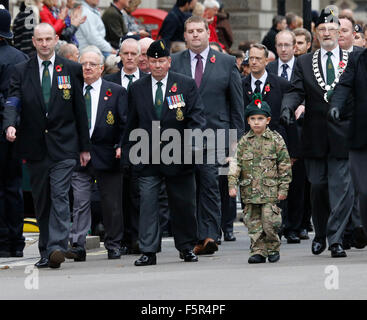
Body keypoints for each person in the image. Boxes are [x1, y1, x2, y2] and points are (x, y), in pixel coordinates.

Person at [3, 23, 91, 268]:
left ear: (55, 39)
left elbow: (79, 110)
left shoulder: (71, 69)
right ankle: (46, 251)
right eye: (39, 40)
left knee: (60, 195)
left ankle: (56, 247)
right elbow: (13, 101)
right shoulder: (21, 70)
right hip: (34, 146)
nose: (44, 44)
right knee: (42, 200)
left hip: (64, 145)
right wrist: (10, 124)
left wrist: (84, 146)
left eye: (48, 39)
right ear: (33, 41)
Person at [122, 39, 206, 266]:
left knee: (183, 204)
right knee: (148, 204)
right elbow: (131, 123)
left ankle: (186, 247)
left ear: (169, 62)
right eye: (153, 61)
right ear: (146, 63)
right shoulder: (137, 88)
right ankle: (148, 250)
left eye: (161, 61)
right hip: (147, 156)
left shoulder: (185, 85)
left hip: (179, 155)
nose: (157, 65)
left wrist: (192, 145)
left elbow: (196, 118)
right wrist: (129, 152)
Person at [280, 9, 356, 258]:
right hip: (314, 136)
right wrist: (287, 107)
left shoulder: (353, 59)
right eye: (322, 29)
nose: (326, 33)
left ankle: (335, 239)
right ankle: (321, 234)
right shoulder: (304, 61)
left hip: (344, 134)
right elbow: (295, 90)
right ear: (316, 33)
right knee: (318, 188)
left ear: (338, 32)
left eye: (331, 29)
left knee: (340, 188)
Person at [171, 16, 244, 253]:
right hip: (182, 136)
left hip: (216, 135)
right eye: (190, 31)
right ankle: (192, 235)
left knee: (211, 184)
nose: (195, 35)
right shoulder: (174, 62)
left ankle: (210, 235)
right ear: (184, 35)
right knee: (186, 188)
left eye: (199, 30)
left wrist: (236, 142)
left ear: (208, 33)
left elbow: (236, 105)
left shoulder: (225, 62)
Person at [67, 45, 127, 261]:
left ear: (101, 68)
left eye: (93, 64)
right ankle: (78, 244)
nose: (88, 68)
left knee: (111, 204)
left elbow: (124, 124)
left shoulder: (116, 92)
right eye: (83, 64)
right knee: (80, 202)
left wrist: (121, 145)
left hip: (109, 156)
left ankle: (113, 244)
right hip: (78, 155)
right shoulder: (71, 92)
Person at [228, 99, 292, 264]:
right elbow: (236, 164)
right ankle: (258, 250)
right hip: (249, 192)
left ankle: (272, 247)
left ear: (268, 120)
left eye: (260, 118)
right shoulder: (243, 142)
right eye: (253, 119)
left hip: (270, 191)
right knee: (253, 224)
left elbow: (284, 165)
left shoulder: (275, 140)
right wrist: (232, 184)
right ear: (248, 121)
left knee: (269, 221)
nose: (256, 122)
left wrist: (283, 189)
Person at [104, 37, 144, 254]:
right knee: (117, 195)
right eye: (125, 53)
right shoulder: (109, 81)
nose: (129, 58)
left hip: (140, 145)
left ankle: (137, 238)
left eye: (133, 54)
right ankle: (121, 239)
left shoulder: (147, 81)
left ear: (140, 57)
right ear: (119, 56)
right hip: (114, 147)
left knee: (137, 194)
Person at [329, 36, 367, 252]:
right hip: (362, 136)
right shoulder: (357, 58)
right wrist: (336, 105)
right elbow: (344, 85)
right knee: (364, 190)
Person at [0, 8, 29, 258]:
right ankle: (15, 241)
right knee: (13, 187)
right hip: (15, 130)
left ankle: (3, 240)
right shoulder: (21, 57)